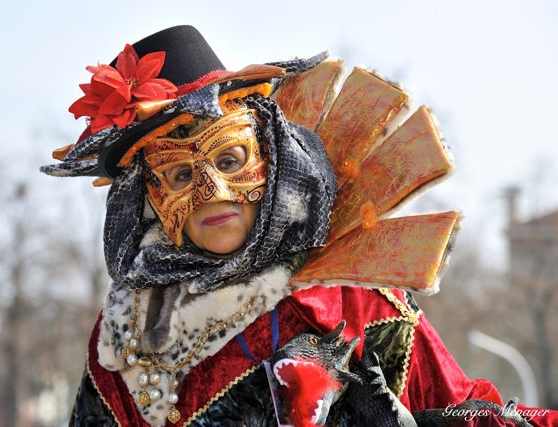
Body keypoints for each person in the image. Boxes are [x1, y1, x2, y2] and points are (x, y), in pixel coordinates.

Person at [41, 25, 556, 426]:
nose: (212, 193)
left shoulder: (350, 301)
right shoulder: (128, 335)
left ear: (269, 157)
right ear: (151, 196)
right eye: (179, 175)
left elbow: (461, 407)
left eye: (229, 159)